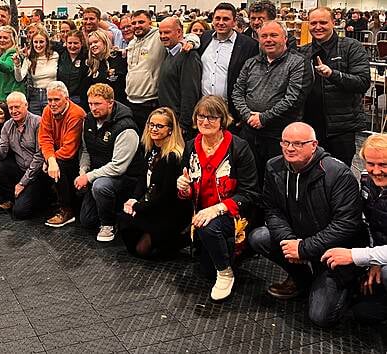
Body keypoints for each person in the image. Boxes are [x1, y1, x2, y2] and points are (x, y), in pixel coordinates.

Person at [248, 122, 366, 327]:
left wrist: (303, 249)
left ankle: (345, 285)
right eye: (285, 142)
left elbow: (346, 225)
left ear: (314, 145)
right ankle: (302, 279)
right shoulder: (273, 166)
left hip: (334, 252)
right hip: (299, 239)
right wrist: (289, 241)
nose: (290, 148)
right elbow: (272, 210)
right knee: (259, 237)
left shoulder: (337, 173)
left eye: (298, 143)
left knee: (321, 317)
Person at [176, 96, 258, 301]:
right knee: (205, 271)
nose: (205, 122)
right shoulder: (191, 146)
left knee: (209, 228)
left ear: (223, 119)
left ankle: (226, 272)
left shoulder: (239, 147)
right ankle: (220, 255)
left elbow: (250, 194)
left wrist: (216, 209)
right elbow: (188, 190)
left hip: (231, 214)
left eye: (212, 117)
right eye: (201, 116)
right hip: (201, 214)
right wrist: (183, 188)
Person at [232, 21, 312, 188]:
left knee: (277, 184)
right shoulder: (251, 63)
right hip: (250, 132)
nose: (268, 40)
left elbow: (294, 98)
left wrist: (264, 118)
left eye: (274, 35)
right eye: (264, 36)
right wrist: (248, 116)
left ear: (285, 38)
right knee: (249, 180)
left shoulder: (298, 63)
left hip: (279, 136)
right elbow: (237, 92)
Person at [321, 133, 387, 324]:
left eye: (383, 164)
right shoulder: (366, 180)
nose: (376, 171)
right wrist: (374, 261)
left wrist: (356, 256)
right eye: (370, 163)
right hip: (379, 254)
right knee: (363, 312)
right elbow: (370, 224)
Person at [299, 6, 370, 168]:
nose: (318, 27)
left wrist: (333, 74)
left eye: (323, 22)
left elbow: (362, 82)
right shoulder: (303, 52)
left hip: (341, 129)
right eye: (313, 23)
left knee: (339, 175)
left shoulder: (352, 47)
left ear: (333, 22)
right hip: (310, 127)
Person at [76, 83, 145, 243]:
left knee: (100, 186)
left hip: (126, 178)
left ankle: (108, 224)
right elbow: (86, 151)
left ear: (110, 103)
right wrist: (83, 172)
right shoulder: (89, 120)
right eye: (91, 104)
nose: (93, 108)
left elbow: (118, 167)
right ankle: (112, 210)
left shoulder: (126, 128)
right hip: (99, 172)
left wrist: (89, 177)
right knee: (87, 221)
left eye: (98, 104)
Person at [120, 107, 190, 257]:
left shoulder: (173, 157)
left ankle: (182, 239)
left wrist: (138, 207)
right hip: (152, 203)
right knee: (128, 232)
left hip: (169, 211)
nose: (154, 129)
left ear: (170, 130)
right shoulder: (151, 149)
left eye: (159, 126)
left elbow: (166, 195)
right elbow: (142, 180)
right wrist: (133, 199)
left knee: (143, 251)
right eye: (151, 125)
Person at [0, 92, 45, 219]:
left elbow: (39, 157)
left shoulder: (38, 122)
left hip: (37, 173)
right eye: (11, 108)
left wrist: (22, 183)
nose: (13, 111)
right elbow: (1, 155)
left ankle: (42, 198)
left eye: (17, 107)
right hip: (19, 169)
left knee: (19, 213)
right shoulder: (8, 125)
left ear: (26, 105)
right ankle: (12, 198)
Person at [198, 3, 259, 125]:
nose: (221, 22)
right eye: (217, 18)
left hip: (231, 111)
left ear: (234, 21)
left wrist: (243, 112)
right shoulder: (204, 38)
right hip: (204, 109)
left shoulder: (249, 45)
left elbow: (253, 80)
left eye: (226, 19)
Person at [38, 81, 85, 228]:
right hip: (56, 155)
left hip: (75, 159)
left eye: (56, 99)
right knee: (48, 165)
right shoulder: (47, 111)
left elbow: (69, 150)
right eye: (49, 100)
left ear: (67, 98)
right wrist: (50, 160)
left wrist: (51, 161)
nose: (52, 103)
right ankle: (53, 201)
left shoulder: (76, 114)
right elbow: (44, 138)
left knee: (59, 166)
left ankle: (67, 210)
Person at [157, 17, 202, 138]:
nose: (162, 36)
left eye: (167, 32)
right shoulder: (170, 53)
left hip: (179, 125)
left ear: (179, 32)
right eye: (160, 33)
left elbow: (190, 93)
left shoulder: (188, 55)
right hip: (169, 120)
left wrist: (184, 124)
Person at [126, 10, 166, 132]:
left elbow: (185, 36)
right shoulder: (132, 42)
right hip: (131, 101)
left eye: (141, 22)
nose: (137, 25)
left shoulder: (158, 37)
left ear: (150, 22)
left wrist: (191, 42)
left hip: (149, 103)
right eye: (134, 23)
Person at [80, 29, 127, 111]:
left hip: (116, 108)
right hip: (95, 109)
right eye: (90, 44)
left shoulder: (118, 58)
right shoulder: (90, 64)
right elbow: (84, 92)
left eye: (96, 42)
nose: (93, 45)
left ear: (104, 42)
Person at [14, 30, 59, 115]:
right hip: (35, 95)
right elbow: (19, 78)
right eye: (35, 42)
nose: (38, 45)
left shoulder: (55, 56)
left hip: (51, 94)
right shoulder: (29, 58)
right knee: (36, 125)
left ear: (47, 42)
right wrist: (17, 65)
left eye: (41, 42)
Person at [56, 30, 86, 105]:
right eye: (69, 43)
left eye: (76, 43)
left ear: (81, 43)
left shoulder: (87, 57)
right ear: (65, 43)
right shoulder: (61, 54)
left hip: (79, 100)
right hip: (61, 98)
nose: (72, 46)